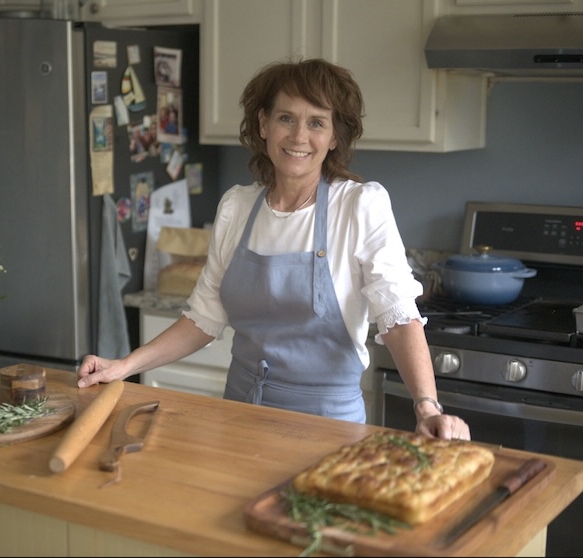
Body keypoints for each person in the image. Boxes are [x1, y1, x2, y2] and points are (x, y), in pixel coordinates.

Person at [78, 58, 470, 440]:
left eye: (316, 122)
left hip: (328, 426)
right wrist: (124, 365)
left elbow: (399, 317)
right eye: (286, 118)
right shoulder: (237, 208)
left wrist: (427, 405)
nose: (299, 136)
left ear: (334, 137)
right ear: (263, 124)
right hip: (240, 415)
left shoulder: (360, 207)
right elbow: (204, 319)